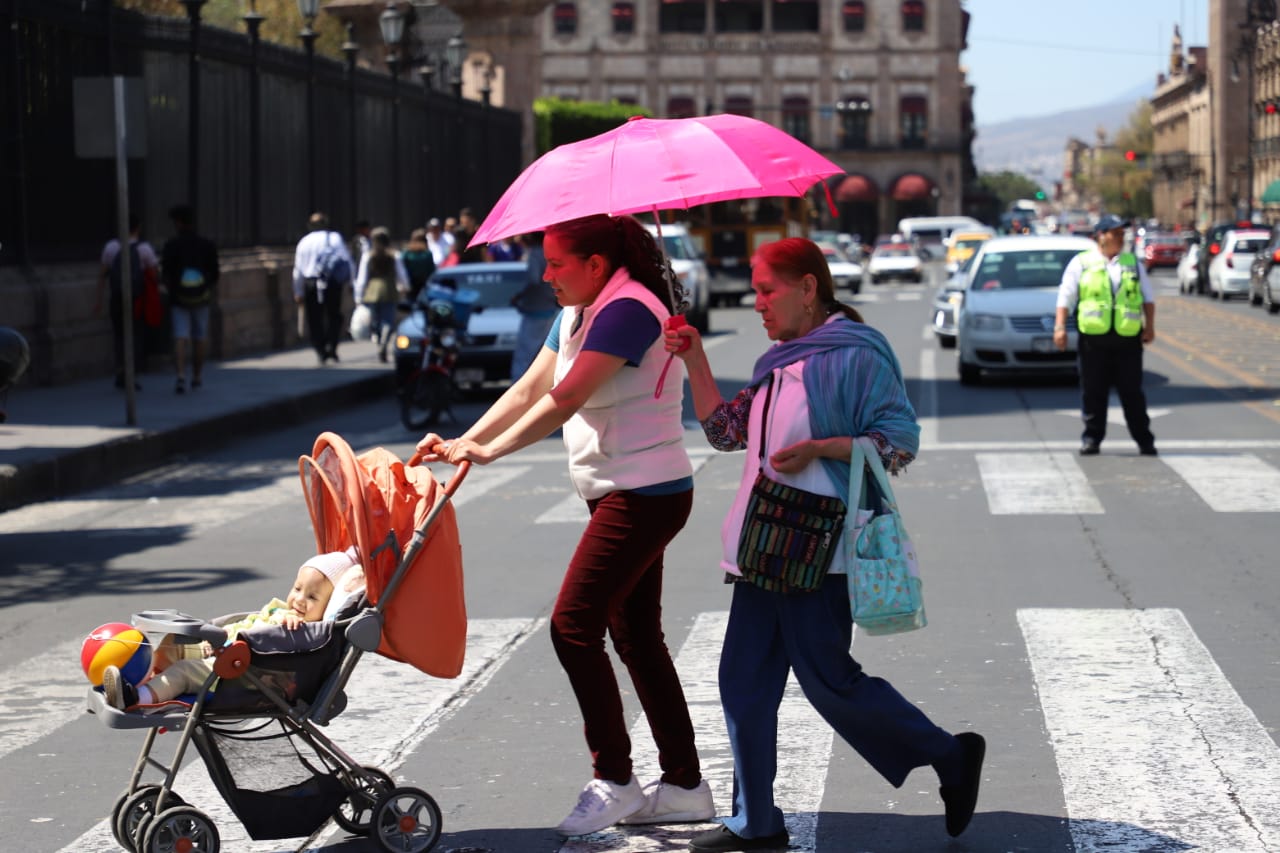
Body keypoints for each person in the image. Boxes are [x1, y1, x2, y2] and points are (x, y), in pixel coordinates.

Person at [665, 237, 986, 853]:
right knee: (741, 682)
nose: (756, 303)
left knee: (830, 683)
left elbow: (898, 443)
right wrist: (695, 358)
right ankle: (755, 820)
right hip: (765, 548)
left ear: (807, 289)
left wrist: (820, 447)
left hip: (819, 550)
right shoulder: (780, 360)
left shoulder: (853, 357)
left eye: (767, 291)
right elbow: (727, 433)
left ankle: (950, 754)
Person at [416, 213, 714, 837]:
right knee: (636, 638)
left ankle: (615, 780)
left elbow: (568, 396)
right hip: (616, 489)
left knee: (572, 625)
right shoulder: (578, 311)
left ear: (597, 265)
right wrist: (464, 441)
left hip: (646, 491)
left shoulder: (629, 310)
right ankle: (685, 785)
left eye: (556, 263)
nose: (545, 274)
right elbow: (529, 388)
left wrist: (492, 454)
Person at [101, 550, 363, 710]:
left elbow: (263, 643)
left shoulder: (301, 629)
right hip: (225, 657)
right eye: (297, 589)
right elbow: (243, 627)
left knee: (182, 672)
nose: (300, 600)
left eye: (313, 598)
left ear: (327, 606)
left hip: (242, 678)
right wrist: (216, 640)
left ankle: (136, 697)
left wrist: (294, 628)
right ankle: (136, 679)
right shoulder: (277, 609)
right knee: (174, 644)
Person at [1054, 213, 1158, 456]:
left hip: (1127, 339)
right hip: (1093, 340)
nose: (1121, 238)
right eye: (1116, 234)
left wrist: (1150, 326)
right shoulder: (1081, 263)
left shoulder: (1132, 264)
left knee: (1132, 392)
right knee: (1093, 392)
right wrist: (1059, 327)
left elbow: (1148, 298)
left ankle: (1144, 440)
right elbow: (1066, 297)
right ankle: (1092, 438)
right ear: (1101, 236)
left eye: (1123, 234)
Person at [160, 203, 220, 394]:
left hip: (179, 298)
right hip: (201, 297)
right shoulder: (206, 245)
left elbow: (165, 273)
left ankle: (180, 376)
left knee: (180, 336)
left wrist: (172, 289)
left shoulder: (171, 245)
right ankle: (197, 376)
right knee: (199, 337)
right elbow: (215, 273)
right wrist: (205, 288)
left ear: (178, 223)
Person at [95, 213, 160, 390]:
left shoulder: (111, 247)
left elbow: (102, 274)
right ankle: (132, 373)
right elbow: (154, 275)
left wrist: (98, 301)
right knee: (136, 335)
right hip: (137, 299)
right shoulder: (144, 248)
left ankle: (120, 371)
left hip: (116, 298)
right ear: (137, 227)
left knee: (119, 335)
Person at [292, 213, 354, 364]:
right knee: (334, 315)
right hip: (331, 282)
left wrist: (298, 290)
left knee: (314, 318)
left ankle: (320, 350)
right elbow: (346, 260)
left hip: (311, 283)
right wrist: (352, 282)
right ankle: (332, 346)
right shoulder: (334, 238)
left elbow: (298, 269)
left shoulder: (304, 242)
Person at [354, 226, 410, 362]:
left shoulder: (369, 255)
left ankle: (380, 341)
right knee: (388, 319)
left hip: (372, 291)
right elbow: (401, 274)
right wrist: (405, 287)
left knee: (375, 320)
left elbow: (362, 277)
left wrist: (358, 296)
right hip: (389, 289)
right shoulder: (393, 255)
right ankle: (384, 341)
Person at [509, 231, 556, 380]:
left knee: (524, 355)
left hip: (535, 311)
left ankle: (517, 387)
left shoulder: (535, 254)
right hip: (550, 308)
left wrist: (519, 296)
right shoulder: (550, 253)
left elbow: (533, 280)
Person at [401, 227, 437, 302]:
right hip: (423, 286)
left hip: (411, 287)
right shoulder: (427, 254)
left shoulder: (406, 253)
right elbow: (432, 271)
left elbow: (402, 270)